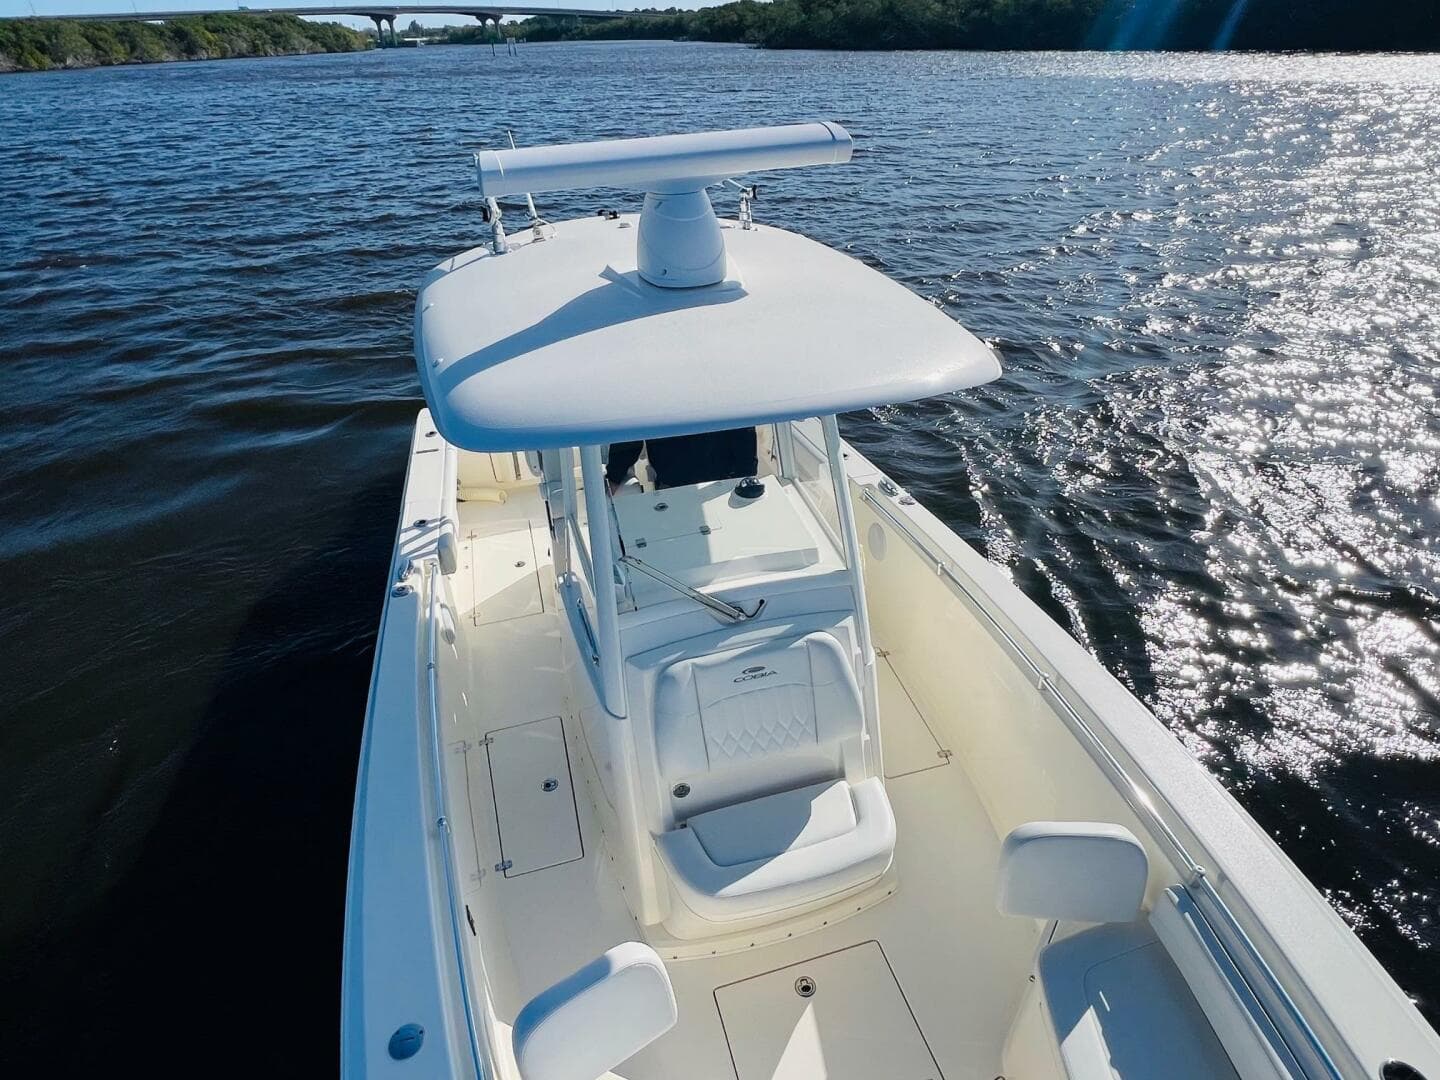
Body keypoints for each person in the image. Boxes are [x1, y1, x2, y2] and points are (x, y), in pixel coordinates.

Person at [606, 427, 758, 493]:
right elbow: (632, 431)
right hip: (674, 484)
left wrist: (614, 476)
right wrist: (614, 476)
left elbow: (745, 432)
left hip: (723, 483)